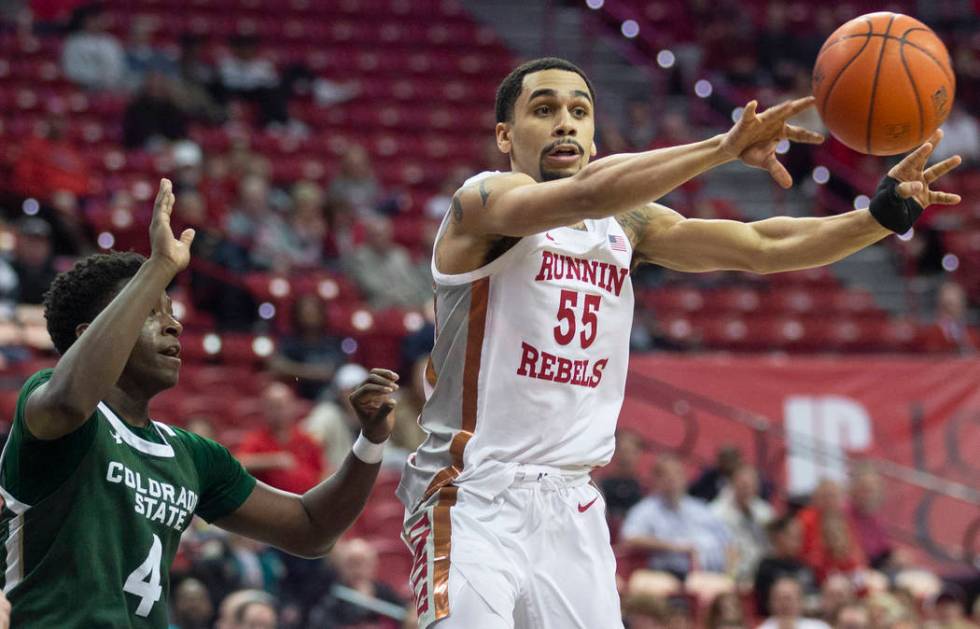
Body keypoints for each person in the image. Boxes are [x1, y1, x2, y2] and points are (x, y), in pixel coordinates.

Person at [396, 56, 962, 629]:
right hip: (471, 498)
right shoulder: (480, 204)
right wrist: (722, 146)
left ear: (594, 135)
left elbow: (761, 245)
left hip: (570, 500)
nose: (565, 122)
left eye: (579, 111)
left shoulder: (627, 227)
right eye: (544, 110)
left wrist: (877, 219)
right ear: (505, 135)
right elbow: (588, 195)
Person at [0, 180, 399, 627]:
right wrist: (157, 268)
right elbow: (73, 402)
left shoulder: (192, 455)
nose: (173, 326)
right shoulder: (50, 404)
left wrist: (370, 441)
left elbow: (311, 529)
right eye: (152, 312)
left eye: (171, 312)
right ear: (86, 335)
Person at [621, 454, 732, 577]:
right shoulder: (646, 509)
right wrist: (675, 546)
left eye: (677, 474)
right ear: (656, 480)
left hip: (708, 575)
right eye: (666, 475)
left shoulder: (700, 508)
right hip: (665, 573)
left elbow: (728, 542)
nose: (673, 480)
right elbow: (630, 538)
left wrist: (729, 575)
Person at [236, 382, 324, 494]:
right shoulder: (256, 438)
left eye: (281, 406)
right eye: (272, 407)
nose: (277, 412)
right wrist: (273, 461)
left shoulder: (306, 439)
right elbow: (238, 464)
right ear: (264, 409)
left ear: (293, 406)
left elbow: (322, 472)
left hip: (308, 501)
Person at [308, 538, 406, 627]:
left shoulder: (384, 591)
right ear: (342, 567)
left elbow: (406, 614)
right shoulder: (331, 593)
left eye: (363, 564)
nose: (357, 570)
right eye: (352, 564)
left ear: (373, 566)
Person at [711, 464, 774, 585]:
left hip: (761, 572)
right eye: (743, 484)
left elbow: (771, 546)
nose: (747, 489)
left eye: (751, 485)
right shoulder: (716, 512)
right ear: (732, 484)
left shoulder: (764, 511)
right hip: (730, 571)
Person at [754, 515, 818, 617]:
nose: (798, 541)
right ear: (779, 537)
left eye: (800, 536)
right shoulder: (767, 567)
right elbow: (763, 606)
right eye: (794, 536)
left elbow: (815, 596)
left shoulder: (804, 566)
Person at [756, 577, 831, 629]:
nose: (785, 604)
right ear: (770, 603)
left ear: (801, 601)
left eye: (789, 598)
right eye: (779, 599)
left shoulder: (819, 627)